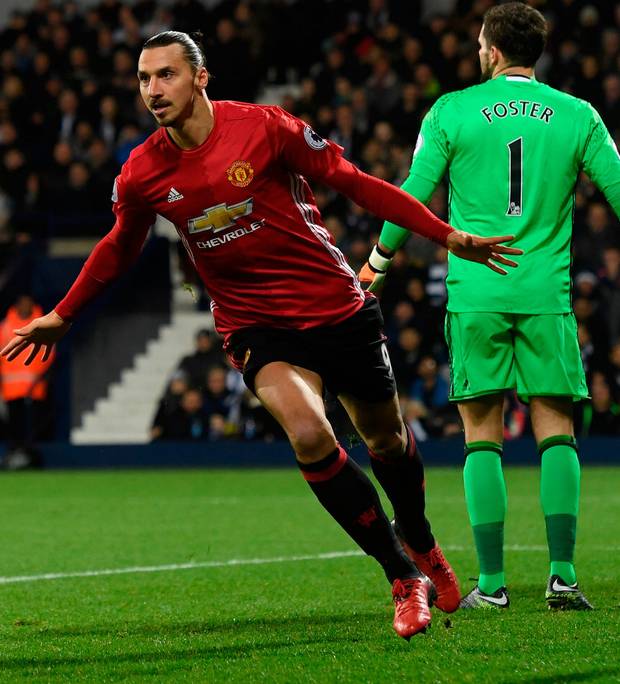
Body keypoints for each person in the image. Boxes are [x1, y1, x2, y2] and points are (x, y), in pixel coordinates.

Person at [0, 31, 521, 639]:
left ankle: (422, 538)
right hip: (254, 323)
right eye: (143, 79)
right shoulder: (143, 170)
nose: (152, 90)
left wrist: (447, 235)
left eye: (166, 75)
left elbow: (355, 183)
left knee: (385, 436)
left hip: (334, 306)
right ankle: (403, 575)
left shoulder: (265, 128)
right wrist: (64, 313)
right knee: (308, 433)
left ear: (200, 77)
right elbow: (120, 244)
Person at [360, 2, 620, 611]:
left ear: (492, 50)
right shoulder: (578, 114)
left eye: (480, 43)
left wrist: (378, 262)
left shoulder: (451, 110)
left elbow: (413, 194)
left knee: (482, 433)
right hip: (544, 295)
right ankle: (562, 577)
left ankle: (494, 586)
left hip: (476, 296)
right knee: (556, 429)